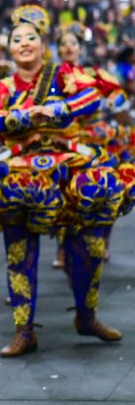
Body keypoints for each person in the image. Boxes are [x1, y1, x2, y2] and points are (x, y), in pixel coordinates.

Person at [0, 5, 124, 357]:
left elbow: (91, 98)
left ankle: (87, 317)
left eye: (32, 38)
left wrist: (59, 110)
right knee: (19, 248)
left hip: (68, 165)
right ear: (9, 47)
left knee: (86, 243)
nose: (25, 44)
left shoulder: (65, 75)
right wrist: (23, 116)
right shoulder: (0, 86)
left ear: (43, 45)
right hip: (18, 169)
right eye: (17, 39)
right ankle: (23, 329)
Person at [51, 22, 133, 268]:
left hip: (96, 140)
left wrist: (110, 107)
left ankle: (103, 243)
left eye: (73, 43)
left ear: (80, 48)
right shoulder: (50, 76)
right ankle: (63, 249)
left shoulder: (95, 75)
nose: (68, 47)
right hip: (65, 141)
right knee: (64, 195)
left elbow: (119, 99)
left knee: (102, 191)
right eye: (63, 43)